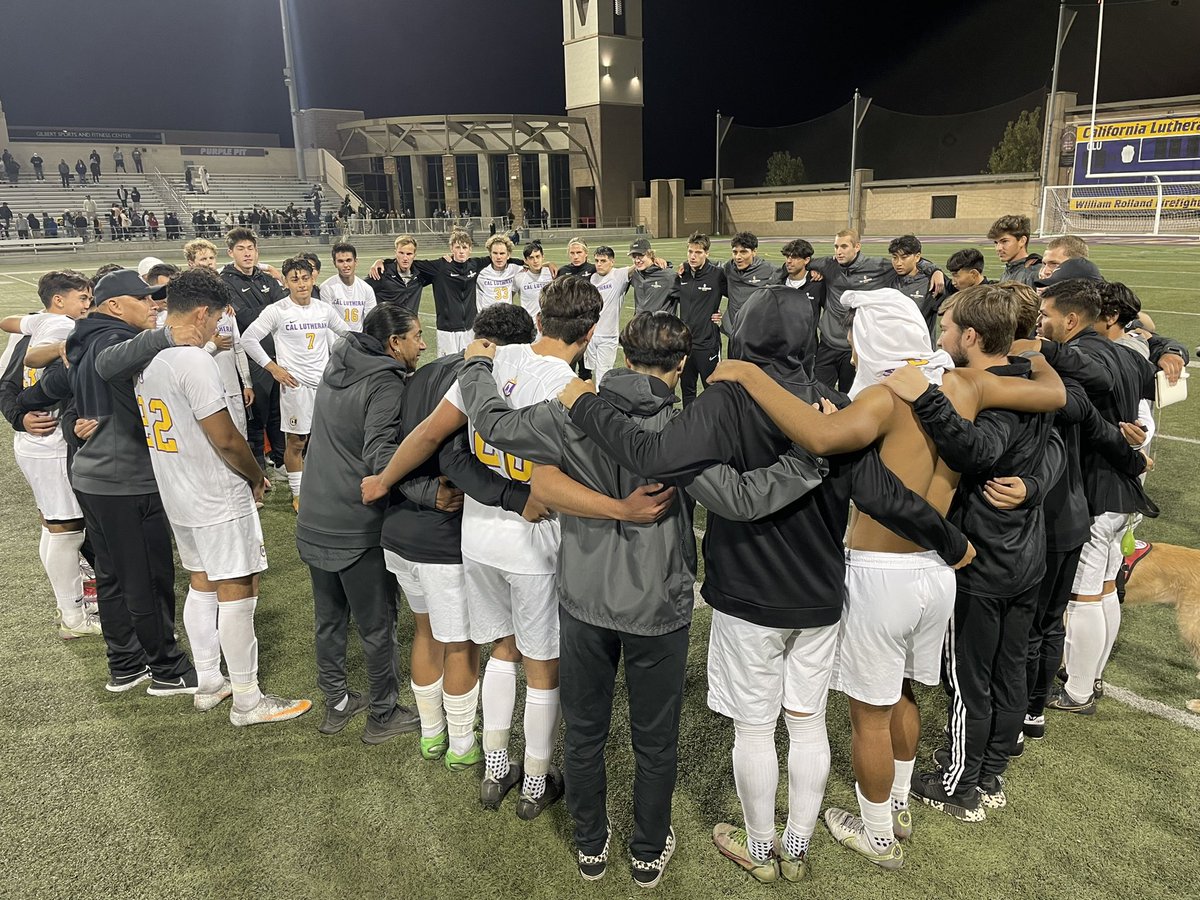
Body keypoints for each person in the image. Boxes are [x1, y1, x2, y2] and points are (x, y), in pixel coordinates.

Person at [559, 288, 972, 883]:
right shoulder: (832, 404)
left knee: (754, 727)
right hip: (819, 593)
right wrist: (951, 540)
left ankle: (760, 849)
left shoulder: (725, 400)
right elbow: (883, 495)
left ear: (741, 338)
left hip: (746, 592)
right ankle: (797, 847)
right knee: (806, 722)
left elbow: (653, 456)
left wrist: (585, 404)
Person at [456, 310, 831, 886]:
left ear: (624, 356)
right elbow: (742, 498)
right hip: (657, 607)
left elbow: (492, 422)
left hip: (583, 599)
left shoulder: (568, 412)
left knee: (584, 731)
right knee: (654, 740)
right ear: (680, 366)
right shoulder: (679, 430)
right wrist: (809, 458)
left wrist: (479, 364)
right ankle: (648, 851)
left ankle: (590, 844)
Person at [710, 286, 1063, 862]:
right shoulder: (967, 385)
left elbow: (821, 438)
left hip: (881, 573)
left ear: (870, 339)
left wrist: (750, 376)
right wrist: (1039, 347)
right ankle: (895, 804)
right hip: (937, 574)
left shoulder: (878, 398)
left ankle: (876, 836)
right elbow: (1052, 394)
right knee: (902, 694)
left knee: (867, 716)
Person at [138, 268, 311, 724]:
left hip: (177, 491)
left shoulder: (146, 354)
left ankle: (209, 681)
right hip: (214, 492)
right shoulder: (192, 360)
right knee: (238, 586)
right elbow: (227, 438)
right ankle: (248, 699)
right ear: (201, 313)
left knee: (201, 583)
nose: (218, 326)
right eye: (216, 318)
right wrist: (255, 476)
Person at [377, 305, 545, 764]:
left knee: (425, 632)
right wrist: (514, 498)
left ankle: (431, 733)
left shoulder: (422, 372)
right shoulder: (475, 379)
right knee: (461, 643)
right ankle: (462, 744)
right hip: (440, 535)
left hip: (399, 527)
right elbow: (452, 457)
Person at [46, 271, 206, 693]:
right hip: (125, 480)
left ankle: (125, 663)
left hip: (94, 476)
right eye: (144, 298)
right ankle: (167, 670)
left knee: (113, 575)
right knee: (148, 579)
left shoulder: (84, 336)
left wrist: (53, 419)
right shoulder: (107, 339)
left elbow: (60, 389)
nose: (153, 305)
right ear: (114, 305)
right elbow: (109, 362)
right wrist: (167, 336)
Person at [298, 304, 433, 743]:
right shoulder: (384, 381)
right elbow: (380, 458)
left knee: (330, 618)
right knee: (378, 626)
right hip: (354, 525)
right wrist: (430, 493)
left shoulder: (337, 363)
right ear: (394, 343)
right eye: (415, 336)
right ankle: (382, 713)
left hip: (314, 517)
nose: (423, 343)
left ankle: (336, 704)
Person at [1034, 277, 1157, 715]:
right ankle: (1092, 675)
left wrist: (1040, 350)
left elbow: (1090, 398)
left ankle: (1077, 690)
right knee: (1105, 588)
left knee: (1084, 594)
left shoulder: (1083, 356)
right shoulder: (1132, 355)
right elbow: (1145, 417)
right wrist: (1139, 451)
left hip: (1095, 486)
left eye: (1045, 317)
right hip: (1123, 487)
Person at [0, 271, 98, 638]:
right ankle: (73, 615)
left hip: (39, 442)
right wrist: (19, 415)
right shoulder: (62, 328)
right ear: (59, 300)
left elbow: (9, 323)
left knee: (55, 525)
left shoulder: (36, 321)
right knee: (67, 528)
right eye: (83, 298)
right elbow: (9, 382)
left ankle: (73, 605)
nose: (87, 306)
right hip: (49, 442)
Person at [241, 256, 351, 512]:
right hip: (295, 387)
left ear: (313, 279)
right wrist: (273, 368)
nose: (301, 284)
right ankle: (299, 495)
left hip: (324, 386)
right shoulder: (277, 310)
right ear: (286, 282)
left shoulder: (324, 310)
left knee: (326, 439)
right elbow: (248, 339)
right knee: (297, 442)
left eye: (305, 278)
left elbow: (347, 335)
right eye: (295, 279)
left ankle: (325, 487)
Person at [808, 230, 944, 393]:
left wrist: (935, 270)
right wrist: (812, 271)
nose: (839, 251)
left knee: (852, 396)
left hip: (858, 346)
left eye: (844, 246)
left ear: (857, 246)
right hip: (829, 343)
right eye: (836, 246)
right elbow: (802, 262)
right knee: (818, 393)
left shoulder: (879, 266)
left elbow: (909, 259)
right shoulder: (828, 265)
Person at [220, 227, 288, 478]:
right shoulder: (225, 283)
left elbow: (284, 309)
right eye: (241, 249)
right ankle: (258, 466)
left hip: (277, 354)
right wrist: (269, 311)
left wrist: (266, 313)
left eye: (251, 248)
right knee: (256, 415)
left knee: (278, 411)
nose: (247, 254)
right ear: (231, 253)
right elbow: (244, 319)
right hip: (252, 358)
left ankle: (280, 461)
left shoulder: (267, 278)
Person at [674, 232, 726, 406]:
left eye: (698, 252)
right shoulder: (683, 273)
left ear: (707, 253)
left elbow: (739, 295)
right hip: (685, 346)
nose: (693, 256)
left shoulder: (717, 275)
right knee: (687, 390)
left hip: (707, 344)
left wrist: (726, 317)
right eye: (690, 252)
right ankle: (690, 427)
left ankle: (713, 428)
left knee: (711, 389)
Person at [718, 232, 781, 342]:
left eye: (743, 252)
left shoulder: (768, 269)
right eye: (735, 252)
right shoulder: (729, 267)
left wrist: (814, 269)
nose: (738, 257)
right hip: (733, 333)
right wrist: (685, 266)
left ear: (754, 252)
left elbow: (791, 272)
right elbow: (711, 267)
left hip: (757, 333)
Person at [583, 246, 631, 384]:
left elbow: (637, 266)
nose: (599, 264)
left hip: (608, 335)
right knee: (591, 370)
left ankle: (602, 402)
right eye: (597, 260)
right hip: (591, 334)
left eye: (603, 261)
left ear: (612, 261)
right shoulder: (593, 278)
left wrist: (654, 259)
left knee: (603, 373)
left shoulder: (619, 275)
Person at [888, 235, 939, 340]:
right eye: (894, 257)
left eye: (904, 257)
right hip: (894, 346)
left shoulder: (931, 283)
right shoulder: (888, 277)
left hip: (921, 350)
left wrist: (936, 271)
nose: (898, 263)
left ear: (917, 257)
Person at [364, 234, 428, 315]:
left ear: (414, 255)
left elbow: (439, 270)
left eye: (409, 254)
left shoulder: (420, 274)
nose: (405, 258)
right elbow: (361, 290)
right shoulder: (382, 272)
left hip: (410, 326)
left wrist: (448, 258)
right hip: (387, 326)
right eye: (401, 253)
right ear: (395, 253)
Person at [321, 242, 377, 332]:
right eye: (340, 261)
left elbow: (371, 321)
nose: (345, 265)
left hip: (358, 341)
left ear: (355, 262)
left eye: (348, 260)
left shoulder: (367, 289)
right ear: (334, 263)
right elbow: (328, 322)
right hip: (336, 342)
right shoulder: (327, 288)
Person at [988, 214, 1040, 287]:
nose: (998, 248)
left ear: (1022, 241)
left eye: (1004, 241)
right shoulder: (1008, 270)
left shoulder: (1035, 272)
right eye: (996, 243)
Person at [628, 238, 677, 315]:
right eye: (634, 257)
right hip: (639, 325)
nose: (637, 260)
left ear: (650, 254)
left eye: (641, 255)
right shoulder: (635, 274)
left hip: (660, 326)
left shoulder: (668, 276)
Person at [513, 240, 552, 330]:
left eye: (538, 256)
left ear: (543, 257)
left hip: (549, 325)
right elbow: (509, 297)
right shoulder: (519, 277)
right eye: (531, 258)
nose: (535, 261)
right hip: (529, 326)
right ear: (526, 260)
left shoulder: (551, 274)